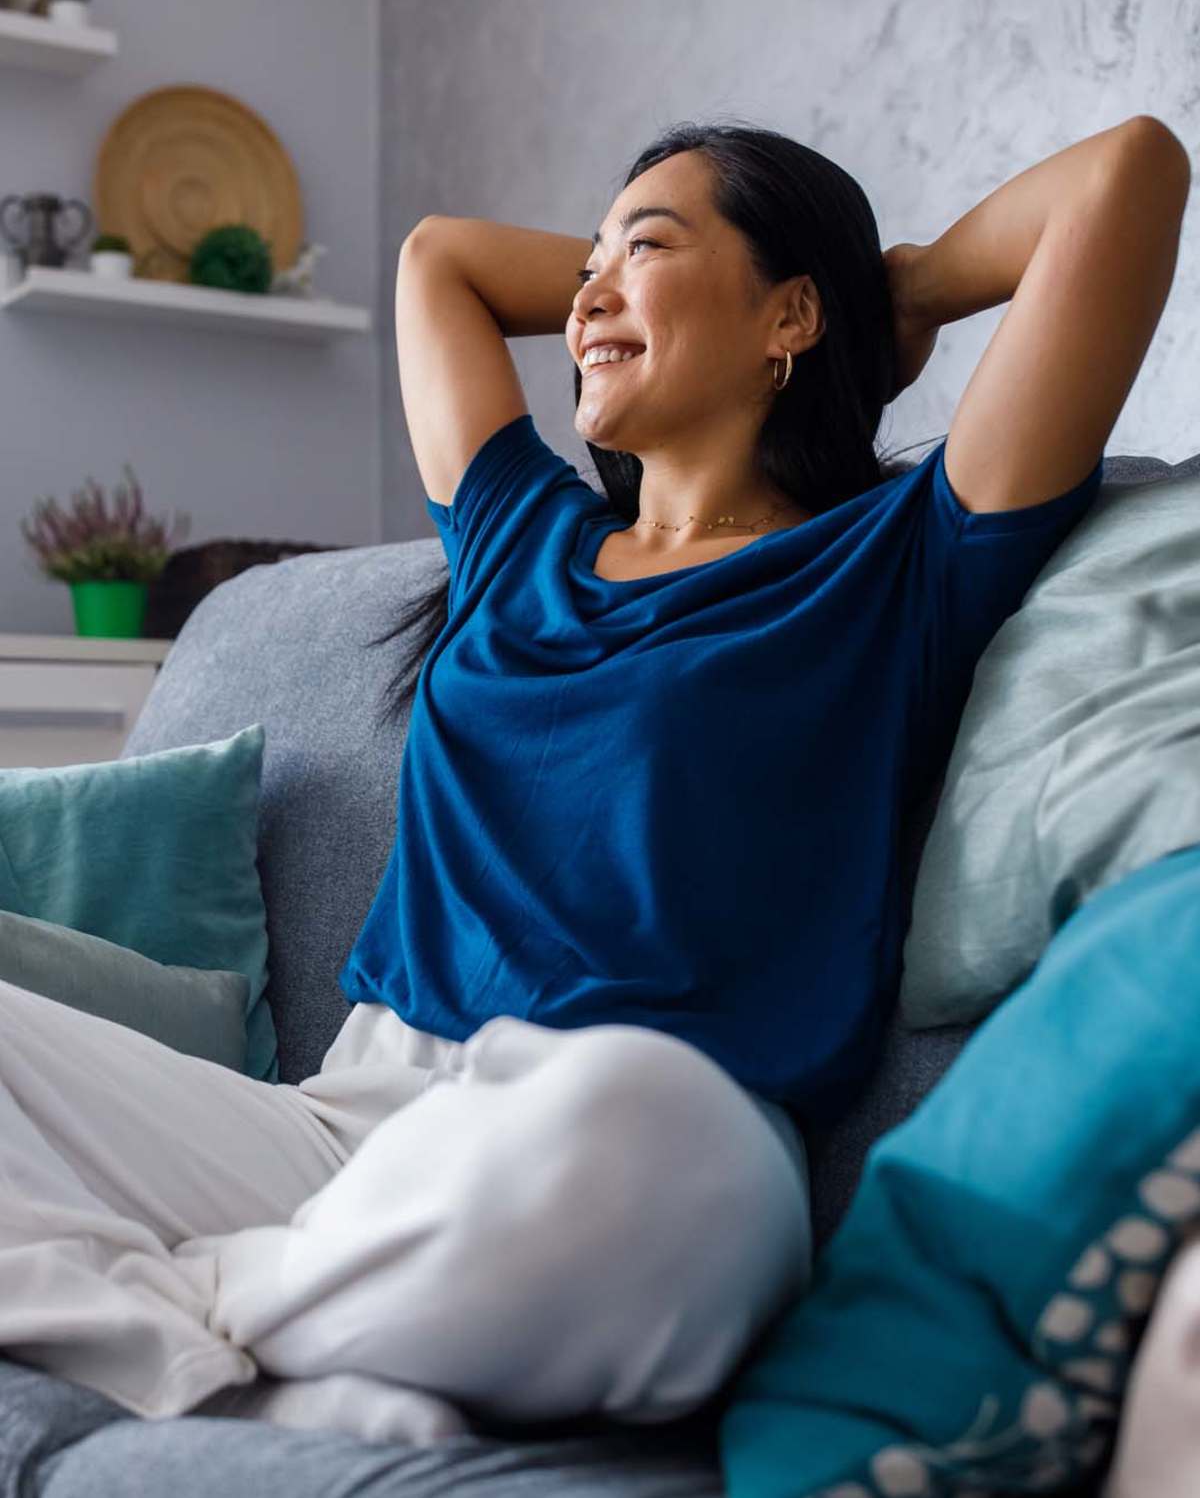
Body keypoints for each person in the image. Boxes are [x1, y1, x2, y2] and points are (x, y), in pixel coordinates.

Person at [1, 112, 1181, 1449]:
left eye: (649, 248)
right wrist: (657, 282)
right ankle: (285, 1373)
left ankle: (201, 1318)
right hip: (355, 1129)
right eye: (582, 273)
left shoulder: (899, 563)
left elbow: (1127, 172)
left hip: (643, 1127)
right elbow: (437, 261)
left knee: (651, 1141)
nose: (586, 301)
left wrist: (876, 288)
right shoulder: (523, 541)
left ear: (789, 318)